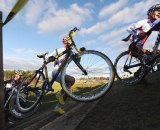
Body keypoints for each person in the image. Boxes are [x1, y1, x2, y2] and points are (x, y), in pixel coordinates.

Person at [47, 37, 75, 114]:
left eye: (67, 40)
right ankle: (59, 93)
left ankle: (57, 107)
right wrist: (53, 58)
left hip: (63, 73)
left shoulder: (71, 52)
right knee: (72, 80)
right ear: (63, 42)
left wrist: (81, 54)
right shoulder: (59, 50)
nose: (66, 42)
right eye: (64, 41)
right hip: (56, 72)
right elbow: (49, 56)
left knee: (67, 91)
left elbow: (77, 60)